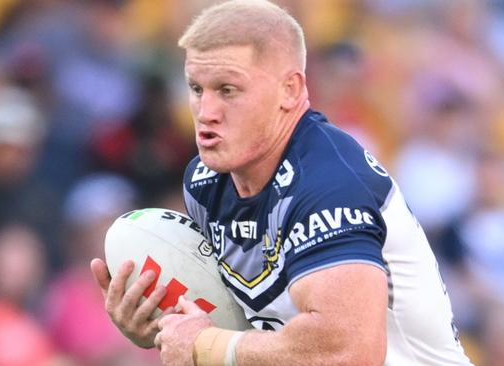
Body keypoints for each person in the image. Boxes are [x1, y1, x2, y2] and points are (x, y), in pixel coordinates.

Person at [91, 1, 474, 365]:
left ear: (290, 90)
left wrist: (203, 344)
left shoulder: (329, 186)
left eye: (228, 90)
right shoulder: (206, 182)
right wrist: (162, 326)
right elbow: (247, 331)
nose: (206, 112)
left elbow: (351, 351)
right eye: (196, 89)